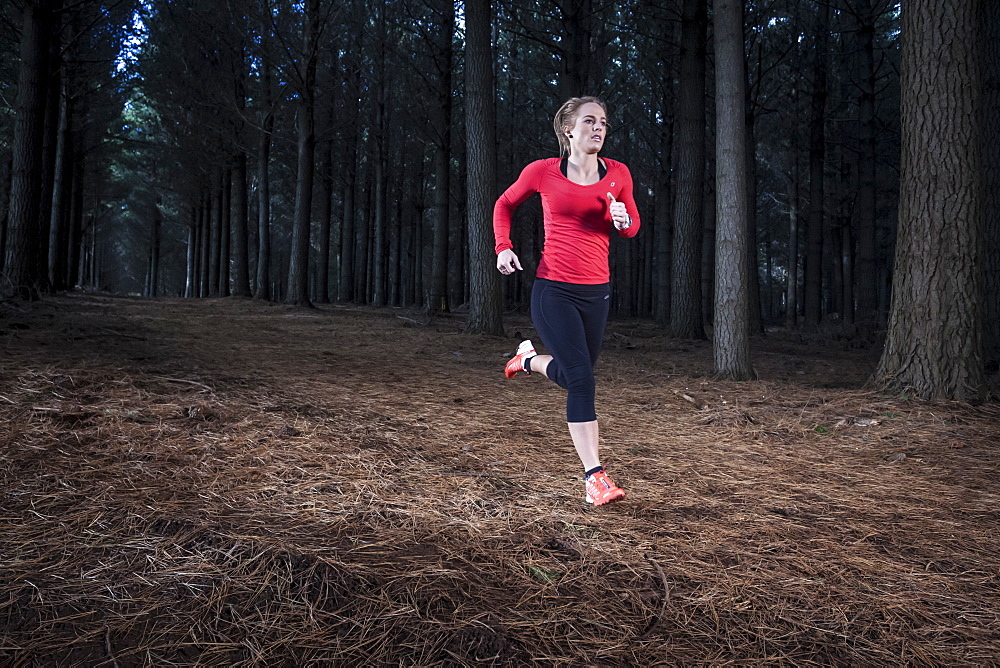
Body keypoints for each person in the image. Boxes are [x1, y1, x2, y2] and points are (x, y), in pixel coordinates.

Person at [493, 96, 641, 506]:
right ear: (568, 130)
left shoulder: (618, 175)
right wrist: (503, 246)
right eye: (590, 121)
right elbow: (504, 203)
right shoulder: (542, 172)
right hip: (553, 289)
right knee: (582, 379)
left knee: (572, 375)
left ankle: (526, 361)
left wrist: (624, 222)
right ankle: (595, 477)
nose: (599, 128)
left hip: (597, 291)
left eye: (604, 122)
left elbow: (631, 226)